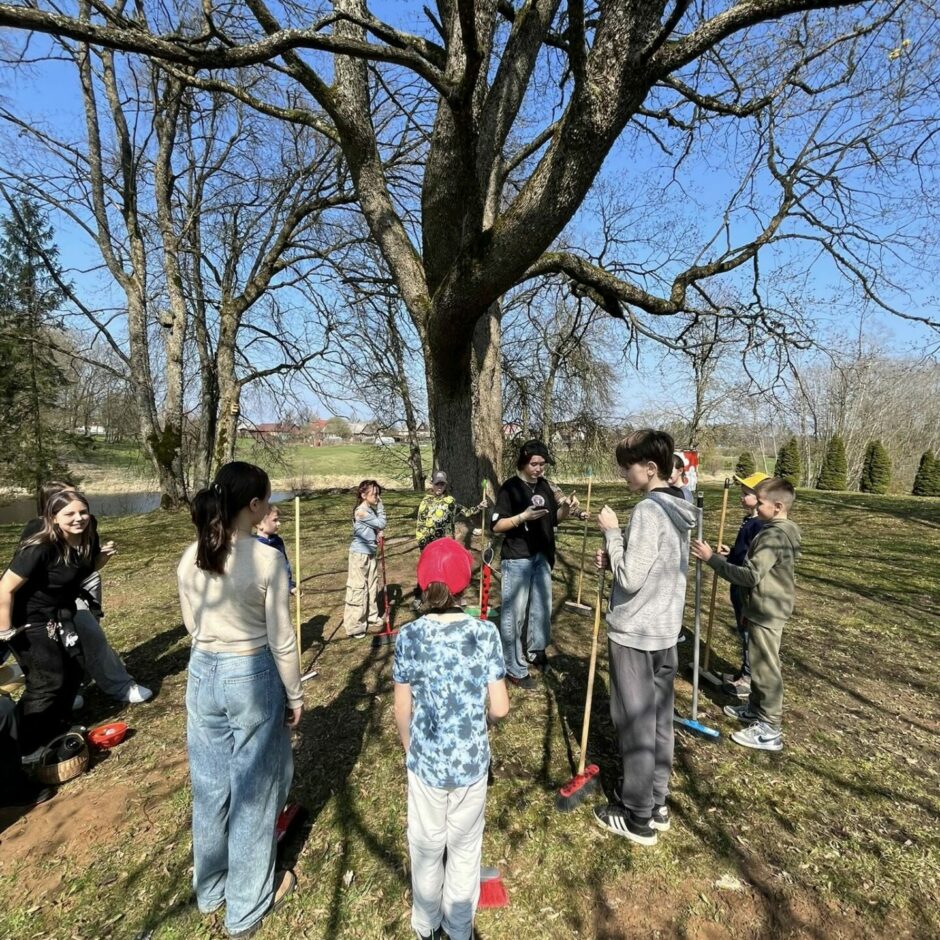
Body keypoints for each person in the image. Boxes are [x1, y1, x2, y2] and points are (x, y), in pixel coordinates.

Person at [177, 461, 301, 938]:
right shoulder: (267, 560)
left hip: (202, 671)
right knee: (254, 789)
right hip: (249, 672)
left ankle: (211, 888)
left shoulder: (192, 554)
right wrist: (295, 693)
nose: (270, 507)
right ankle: (247, 904)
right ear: (253, 505)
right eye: (267, 499)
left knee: (210, 786)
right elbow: (282, 639)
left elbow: (192, 624)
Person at [393, 538, 509, 940]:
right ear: (465, 585)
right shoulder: (485, 633)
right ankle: (459, 927)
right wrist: (482, 726)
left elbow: (401, 708)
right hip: (471, 762)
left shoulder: (408, 636)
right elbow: (500, 707)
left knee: (426, 844)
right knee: (464, 845)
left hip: (425, 761)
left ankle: (425, 924)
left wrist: (411, 750)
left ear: (423, 585)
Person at [593, 430, 696, 846]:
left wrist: (612, 534)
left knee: (635, 723)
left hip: (635, 633)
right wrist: (616, 558)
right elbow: (650, 567)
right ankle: (656, 801)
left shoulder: (648, 511)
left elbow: (631, 579)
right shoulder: (681, 504)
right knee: (658, 720)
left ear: (650, 468)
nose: (623, 475)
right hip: (665, 631)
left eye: (627, 468)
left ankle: (637, 817)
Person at [0, 488, 115, 758]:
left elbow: (75, 571)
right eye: (69, 514)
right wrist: (5, 631)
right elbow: (5, 587)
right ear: (53, 517)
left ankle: (54, 729)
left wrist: (100, 560)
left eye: (83, 512)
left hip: (59, 613)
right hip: (28, 619)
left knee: (74, 669)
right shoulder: (41, 547)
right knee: (47, 680)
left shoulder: (87, 535)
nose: (79, 518)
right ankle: (24, 746)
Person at [691, 477, 801, 752]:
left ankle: (770, 729)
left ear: (778, 506)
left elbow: (751, 576)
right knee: (759, 661)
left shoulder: (774, 536)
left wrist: (712, 560)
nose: (756, 506)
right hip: (760, 606)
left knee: (765, 668)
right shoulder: (777, 529)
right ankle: (755, 709)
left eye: (760, 503)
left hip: (768, 610)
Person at [20, 481, 152, 706]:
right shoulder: (38, 531)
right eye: (66, 498)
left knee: (91, 634)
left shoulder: (88, 525)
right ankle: (69, 692)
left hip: (72, 593)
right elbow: (17, 579)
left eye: (78, 497)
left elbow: (85, 567)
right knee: (57, 647)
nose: (78, 509)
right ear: (51, 508)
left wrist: (101, 558)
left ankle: (120, 686)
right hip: (40, 604)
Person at [491, 440, 579, 689]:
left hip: (542, 556)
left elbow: (554, 520)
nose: (539, 468)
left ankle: (536, 652)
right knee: (514, 614)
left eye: (542, 464)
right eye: (534, 464)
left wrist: (566, 508)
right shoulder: (510, 488)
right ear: (523, 463)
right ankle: (514, 667)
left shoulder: (544, 487)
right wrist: (523, 517)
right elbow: (496, 526)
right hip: (517, 558)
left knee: (541, 609)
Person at [721, 472, 769, 698]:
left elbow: (753, 559)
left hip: (748, 587)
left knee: (749, 632)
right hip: (738, 583)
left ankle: (749, 678)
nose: (741, 497)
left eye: (746, 494)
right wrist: (730, 553)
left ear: (761, 497)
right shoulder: (749, 519)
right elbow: (743, 552)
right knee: (743, 631)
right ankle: (744, 671)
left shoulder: (759, 524)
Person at [412, 470, 484, 610]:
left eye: (442, 484)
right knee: (428, 571)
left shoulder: (450, 502)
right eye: (437, 483)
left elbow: (466, 512)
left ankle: (450, 597)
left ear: (445, 485)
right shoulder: (426, 501)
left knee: (447, 570)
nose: (439, 487)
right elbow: (420, 523)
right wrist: (422, 543)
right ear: (432, 484)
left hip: (446, 545)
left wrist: (479, 507)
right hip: (429, 545)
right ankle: (420, 596)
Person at [343, 479, 387, 638]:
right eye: (374, 494)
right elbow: (381, 523)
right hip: (359, 555)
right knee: (358, 588)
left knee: (372, 585)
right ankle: (355, 625)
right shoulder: (361, 512)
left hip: (370, 552)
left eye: (378, 494)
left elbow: (376, 527)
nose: (377, 497)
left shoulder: (370, 510)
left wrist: (376, 535)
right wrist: (381, 507)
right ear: (363, 495)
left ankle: (371, 616)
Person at [254, 504, 296, 594]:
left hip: (279, 590)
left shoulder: (278, 541)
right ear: (259, 524)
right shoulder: (253, 545)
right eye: (274, 520)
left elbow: (285, 566)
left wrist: (289, 585)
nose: (278, 523)